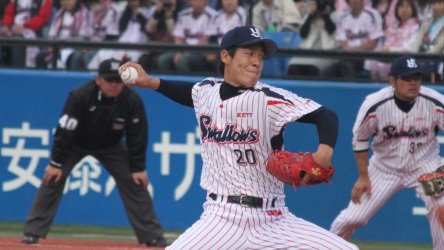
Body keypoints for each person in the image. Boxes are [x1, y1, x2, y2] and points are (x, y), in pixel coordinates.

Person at [119, 25, 358, 249]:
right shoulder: (206, 92)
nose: (256, 62)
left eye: (261, 57)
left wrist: (324, 152)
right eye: (249, 53)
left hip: (273, 220)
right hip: (220, 218)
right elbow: (186, 93)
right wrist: (149, 82)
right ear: (226, 56)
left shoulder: (268, 99)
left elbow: (326, 116)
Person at [21, 58, 167, 247]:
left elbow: (138, 136)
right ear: (98, 80)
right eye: (109, 80)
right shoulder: (80, 96)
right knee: (52, 177)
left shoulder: (131, 100)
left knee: (135, 181)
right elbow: (65, 130)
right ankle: (32, 232)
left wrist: (138, 168)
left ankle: (152, 235)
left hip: (111, 146)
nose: (114, 85)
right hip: (75, 143)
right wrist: (55, 163)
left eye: (118, 81)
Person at [330, 55, 444, 249]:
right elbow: (360, 140)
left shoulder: (434, 102)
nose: (413, 83)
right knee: (352, 219)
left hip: (425, 166)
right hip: (384, 168)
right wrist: (363, 177)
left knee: (441, 208)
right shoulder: (374, 104)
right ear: (392, 80)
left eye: (417, 78)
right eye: (407, 79)